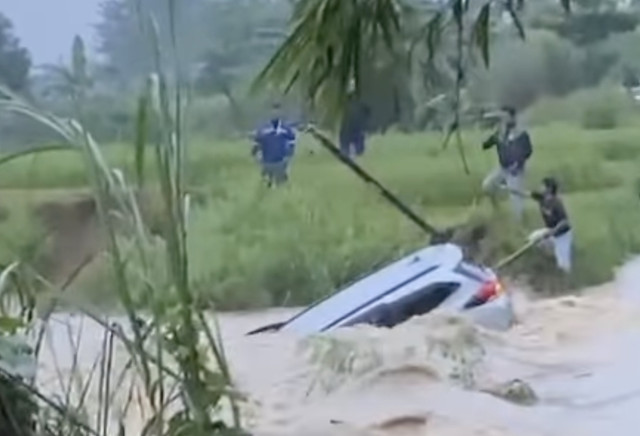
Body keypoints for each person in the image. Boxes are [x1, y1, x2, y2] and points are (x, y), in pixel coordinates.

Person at [481, 106, 533, 220]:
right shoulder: (500, 132)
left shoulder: (521, 133)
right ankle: (497, 210)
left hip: (515, 170)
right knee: (487, 186)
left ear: (512, 117)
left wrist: (517, 164)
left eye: (506, 117)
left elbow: (528, 151)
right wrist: (489, 134)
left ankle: (518, 222)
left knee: (515, 197)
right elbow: (486, 145)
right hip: (502, 168)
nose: (503, 119)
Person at [527, 177, 573, 273]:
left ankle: (567, 281)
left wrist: (552, 232)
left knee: (563, 266)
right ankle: (549, 257)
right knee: (533, 238)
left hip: (562, 234)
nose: (540, 187)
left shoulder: (557, 203)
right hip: (550, 231)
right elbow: (525, 194)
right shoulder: (541, 198)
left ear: (549, 189)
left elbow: (565, 222)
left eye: (542, 186)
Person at [252, 103, 296, 187]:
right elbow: (256, 146)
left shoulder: (286, 129)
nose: (275, 114)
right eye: (273, 111)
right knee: (266, 186)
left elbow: (292, 146)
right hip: (267, 163)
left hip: (281, 163)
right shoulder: (263, 129)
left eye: (277, 111)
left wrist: (288, 159)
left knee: (281, 186)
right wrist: (257, 159)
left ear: (281, 113)